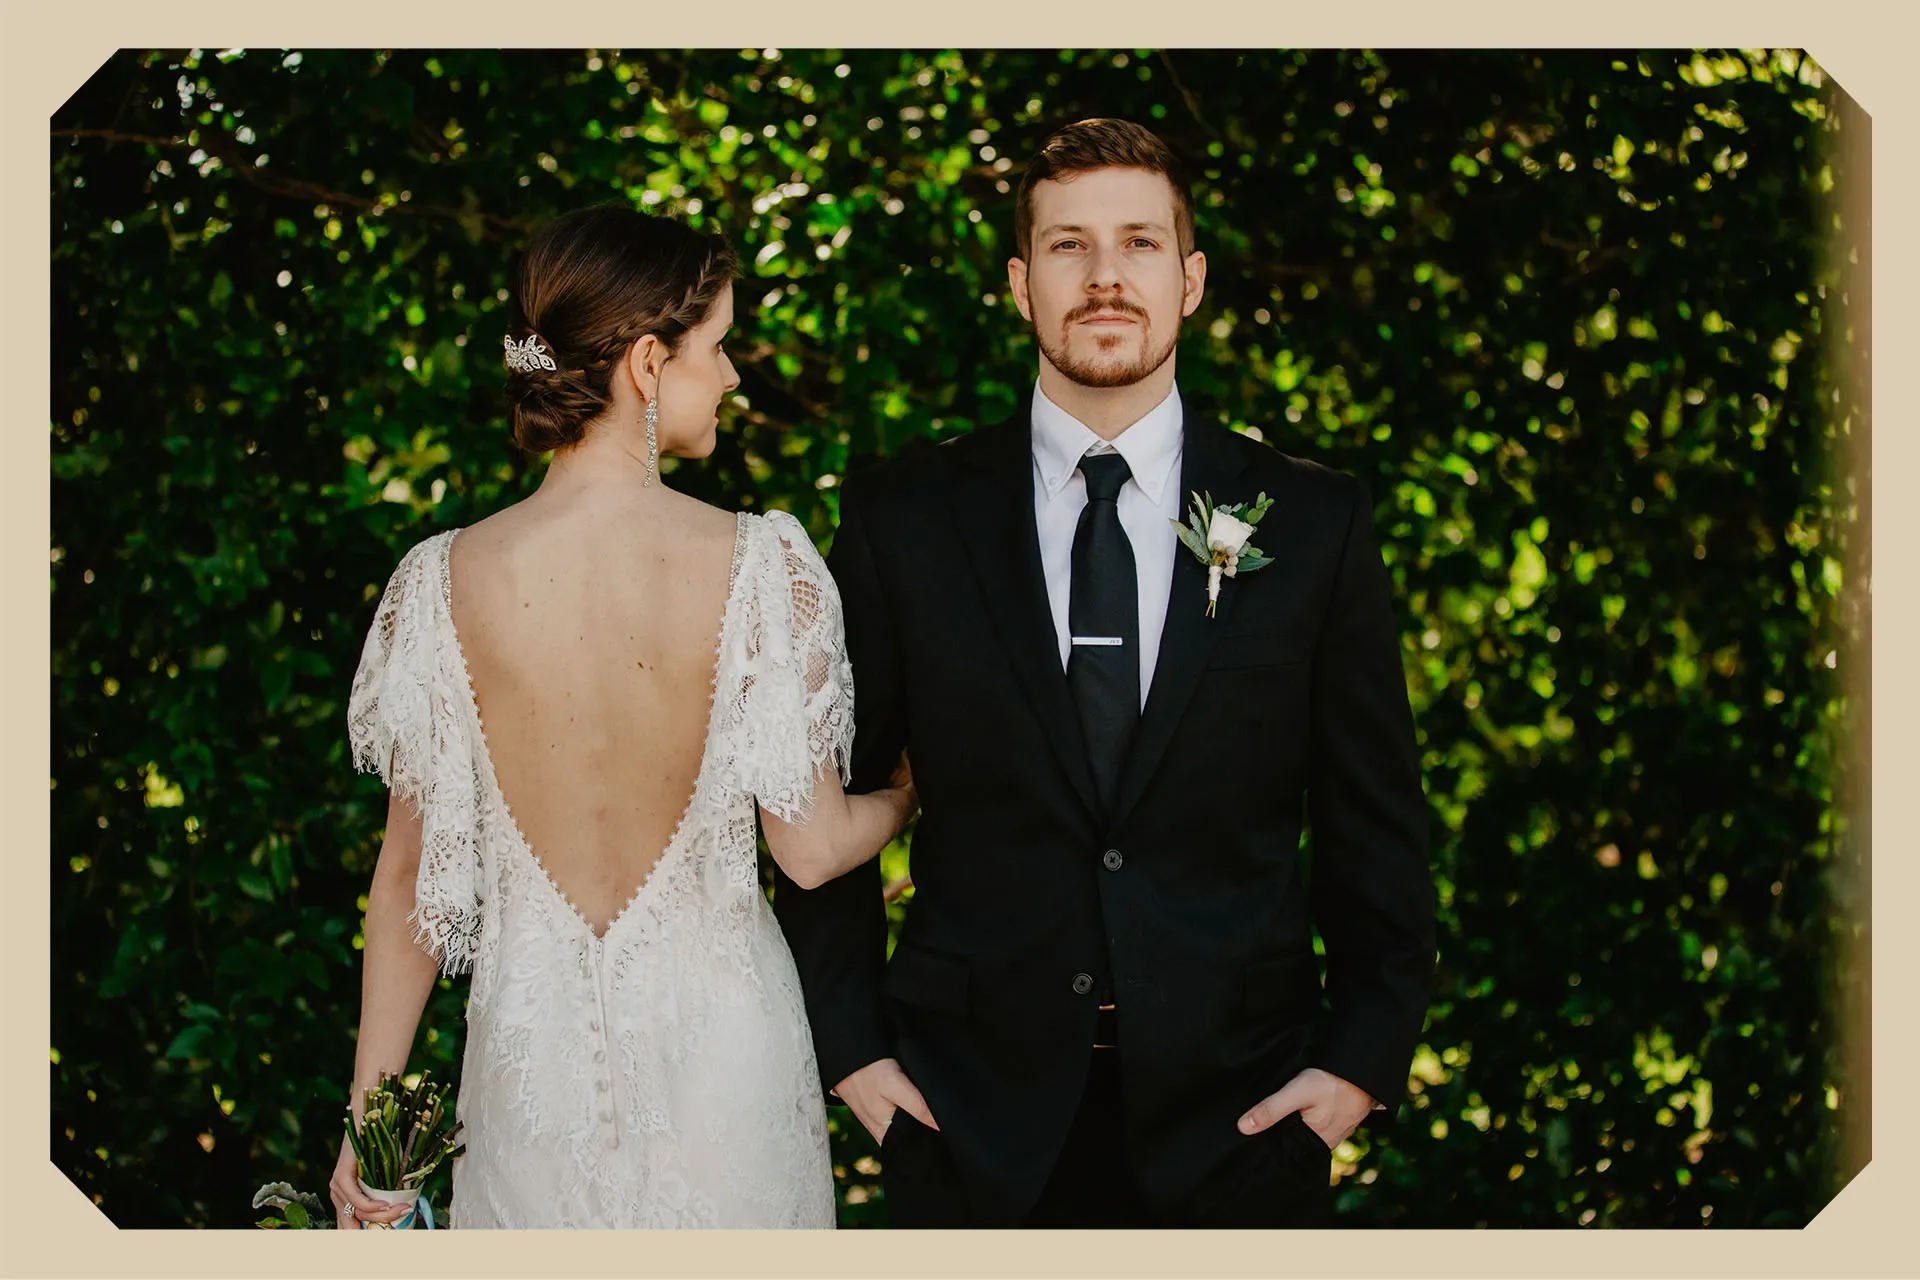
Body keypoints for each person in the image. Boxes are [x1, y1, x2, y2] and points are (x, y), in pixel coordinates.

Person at [773, 118, 1436, 1228]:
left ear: (1192, 279)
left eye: (1138, 242)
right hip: (964, 1119)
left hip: (1244, 1119)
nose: (1106, 277)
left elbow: (1377, 821)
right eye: (1070, 247)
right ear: (1022, 283)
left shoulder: (1315, 521)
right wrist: (854, 1058)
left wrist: (1358, 1068)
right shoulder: (904, 519)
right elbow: (827, 792)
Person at [328, 204, 916, 1229]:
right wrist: (911, 793)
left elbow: (411, 882)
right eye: (719, 346)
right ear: (648, 362)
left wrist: (374, 1131)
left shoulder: (438, 585)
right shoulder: (763, 568)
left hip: (529, 1080)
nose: (732, 376)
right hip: (727, 1072)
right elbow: (815, 847)